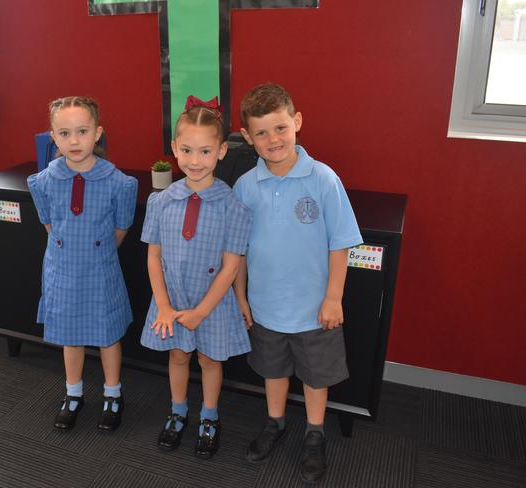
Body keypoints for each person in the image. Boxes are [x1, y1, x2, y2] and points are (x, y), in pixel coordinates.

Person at [233, 83, 362, 484]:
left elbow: (341, 244)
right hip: (266, 305)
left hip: (313, 309)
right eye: (262, 133)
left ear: (297, 122)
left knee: (315, 375)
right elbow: (236, 251)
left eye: (280, 128)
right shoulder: (245, 187)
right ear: (247, 137)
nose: (273, 140)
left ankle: (314, 432)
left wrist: (334, 298)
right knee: (272, 369)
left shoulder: (323, 179)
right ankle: (275, 422)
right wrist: (240, 296)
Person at [140, 96, 252, 459]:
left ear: (221, 151)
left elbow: (231, 265)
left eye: (205, 152)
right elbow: (154, 256)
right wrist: (163, 305)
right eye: (186, 150)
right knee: (177, 356)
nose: (194, 161)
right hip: (171, 299)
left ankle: (209, 416)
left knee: (209, 360)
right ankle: (177, 411)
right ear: (174, 148)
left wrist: (202, 311)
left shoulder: (233, 206)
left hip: (212, 302)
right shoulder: (160, 202)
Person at [27, 96, 138, 432]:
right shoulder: (44, 181)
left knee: (107, 336)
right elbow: (50, 225)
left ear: (97, 133)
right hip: (62, 271)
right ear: (53, 136)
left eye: (82, 131)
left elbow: (121, 228)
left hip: (100, 270)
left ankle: (113, 394)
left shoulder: (118, 182)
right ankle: (73, 394)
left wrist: (96, 251)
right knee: (69, 337)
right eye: (64, 133)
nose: (74, 141)